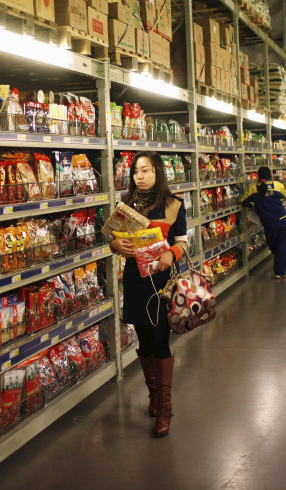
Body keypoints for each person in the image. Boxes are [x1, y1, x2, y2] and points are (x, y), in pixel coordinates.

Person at [109, 151, 188, 438]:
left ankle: (165, 408)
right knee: (143, 339)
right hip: (135, 280)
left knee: (159, 338)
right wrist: (116, 246)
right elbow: (114, 238)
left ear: (158, 173)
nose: (138, 176)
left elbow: (183, 241)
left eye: (145, 170)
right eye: (135, 171)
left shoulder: (173, 205)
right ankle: (153, 396)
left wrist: (171, 252)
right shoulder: (127, 206)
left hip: (161, 281)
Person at [241, 166, 286, 278]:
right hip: (282, 220)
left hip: (269, 223)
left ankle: (279, 272)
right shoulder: (277, 185)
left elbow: (243, 200)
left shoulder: (253, 188)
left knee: (274, 246)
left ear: (258, 177)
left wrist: (254, 205)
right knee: (280, 246)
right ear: (271, 176)